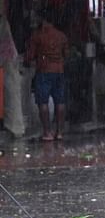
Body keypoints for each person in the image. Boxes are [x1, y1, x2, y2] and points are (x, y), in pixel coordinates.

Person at [24, 13, 68, 141]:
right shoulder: (61, 36)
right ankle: (60, 132)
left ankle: (47, 132)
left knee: (42, 102)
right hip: (59, 71)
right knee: (60, 101)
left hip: (43, 71)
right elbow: (66, 54)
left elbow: (30, 55)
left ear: (43, 20)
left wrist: (27, 61)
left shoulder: (38, 36)